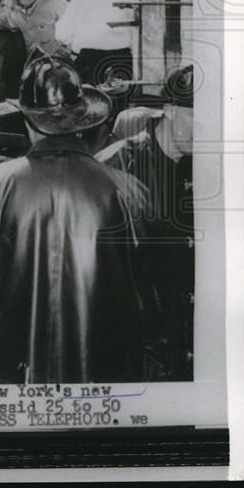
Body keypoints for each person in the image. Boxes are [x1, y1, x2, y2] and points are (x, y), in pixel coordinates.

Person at [0, 56, 149, 384]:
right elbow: (148, 293)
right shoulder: (128, 189)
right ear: (82, 117)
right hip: (109, 382)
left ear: (26, 118)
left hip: (14, 379)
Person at [106, 64, 194, 380]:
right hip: (138, 346)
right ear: (169, 110)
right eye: (200, 117)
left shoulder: (211, 167)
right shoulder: (117, 166)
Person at [55, 0, 136, 90]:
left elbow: (62, 35)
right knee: (120, 106)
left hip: (87, 61)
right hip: (121, 61)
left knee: (88, 105)